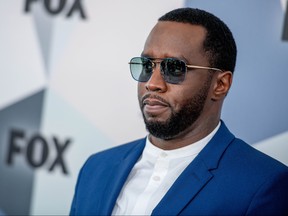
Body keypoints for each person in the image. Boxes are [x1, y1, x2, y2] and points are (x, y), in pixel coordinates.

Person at [70, 8, 288, 215]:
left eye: (174, 68)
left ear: (220, 84)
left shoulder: (263, 184)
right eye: (147, 65)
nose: (152, 84)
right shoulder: (96, 168)